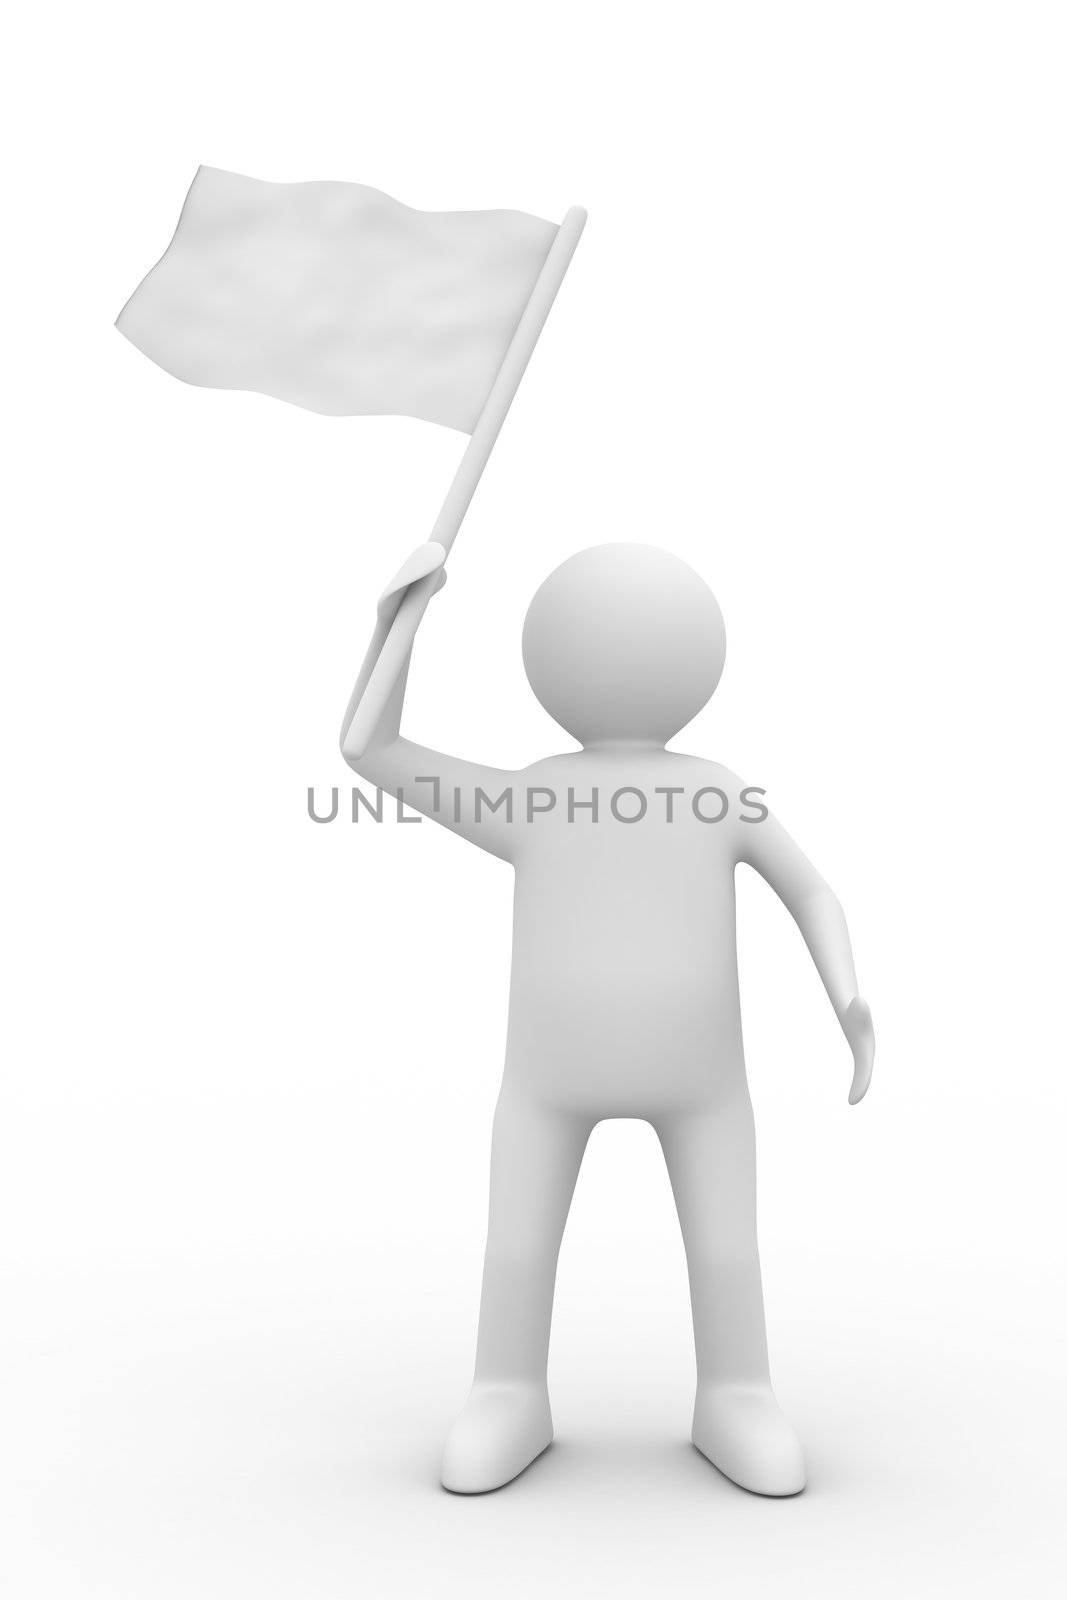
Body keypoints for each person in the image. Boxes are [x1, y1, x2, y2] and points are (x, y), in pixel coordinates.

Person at [340, 540, 874, 1496]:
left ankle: (737, 1392)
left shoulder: (709, 792)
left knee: (722, 1246)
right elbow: (368, 752)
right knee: (517, 1244)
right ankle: (506, 1389)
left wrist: (849, 996)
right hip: (550, 1080)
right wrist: (396, 630)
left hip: (699, 1081)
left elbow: (811, 895)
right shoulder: (538, 795)